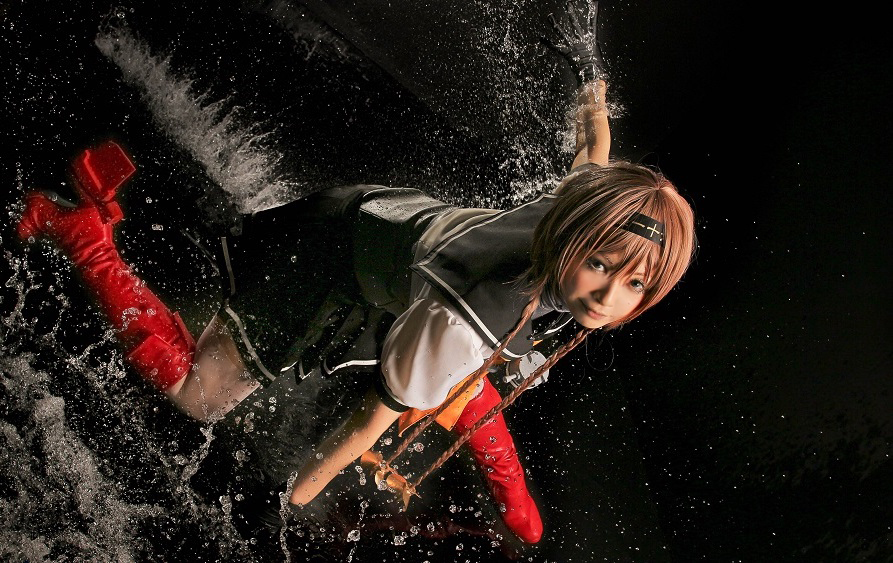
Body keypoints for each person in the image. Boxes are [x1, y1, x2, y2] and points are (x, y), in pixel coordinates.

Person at [15, 2, 696, 545]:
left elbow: (593, 150)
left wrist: (591, 93)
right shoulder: (468, 314)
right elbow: (367, 427)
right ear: (577, 239)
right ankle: (84, 236)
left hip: (403, 241)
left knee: (455, 376)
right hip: (334, 255)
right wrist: (292, 506)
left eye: (635, 284)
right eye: (600, 267)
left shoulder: (587, 207)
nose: (607, 297)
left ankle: (514, 499)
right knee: (198, 395)